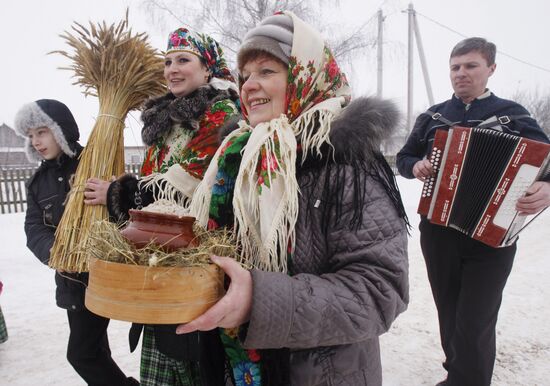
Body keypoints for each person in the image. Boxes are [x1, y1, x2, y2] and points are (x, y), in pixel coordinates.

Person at [173, 11, 409, 386]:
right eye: (245, 75)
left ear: (305, 75)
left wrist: (259, 301)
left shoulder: (345, 163)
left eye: (266, 71)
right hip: (236, 365)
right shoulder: (237, 158)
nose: (249, 85)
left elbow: (380, 291)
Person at [84, 28, 240, 386]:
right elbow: (153, 179)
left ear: (208, 69)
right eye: (167, 62)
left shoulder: (221, 112)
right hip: (162, 259)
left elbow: (191, 180)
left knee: (195, 359)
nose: (172, 69)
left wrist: (118, 194)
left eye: (184, 60)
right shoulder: (165, 120)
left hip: (199, 262)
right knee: (164, 358)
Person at [396, 37, 550, 386]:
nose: (461, 73)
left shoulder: (513, 116)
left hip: (492, 235)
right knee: (448, 311)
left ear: (490, 69)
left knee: (477, 317)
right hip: (439, 229)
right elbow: (405, 158)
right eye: (455, 67)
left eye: (470, 66)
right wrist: (416, 165)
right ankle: (459, 375)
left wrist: (548, 188)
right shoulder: (433, 117)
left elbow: (547, 157)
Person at [14, 99, 138, 385]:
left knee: (81, 354)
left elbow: (126, 202)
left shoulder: (94, 161)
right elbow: (34, 227)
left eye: (42, 132)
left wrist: (115, 196)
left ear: (60, 130)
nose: (36, 142)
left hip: (102, 273)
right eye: (31, 136)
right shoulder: (37, 183)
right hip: (71, 279)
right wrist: (55, 252)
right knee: (95, 349)